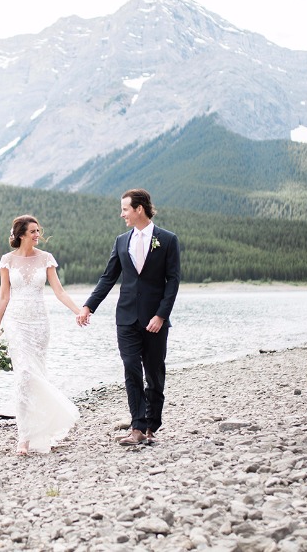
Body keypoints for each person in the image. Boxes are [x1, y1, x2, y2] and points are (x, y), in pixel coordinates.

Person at [76, 189, 180, 446]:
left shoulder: (167, 239)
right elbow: (108, 277)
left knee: (154, 373)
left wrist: (161, 316)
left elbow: (173, 281)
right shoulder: (121, 241)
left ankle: (152, 425)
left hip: (155, 320)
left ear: (139, 209)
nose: (121, 214)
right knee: (131, 368)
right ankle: (137, 427)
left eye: (125, 209)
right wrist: (89, 306)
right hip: (126, 318)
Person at [0, 215, 81, 455]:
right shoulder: (7, 261)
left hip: (40, 324)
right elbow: (4, 297)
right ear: (21, 234)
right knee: (23, 375)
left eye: (38, 231)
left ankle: (41, 430)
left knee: (37, 374)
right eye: (32, 231)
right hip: (16, 322)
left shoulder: (46, 259)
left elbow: (59, 291)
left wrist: (78, 311)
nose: (37, 235)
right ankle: (24, 437)